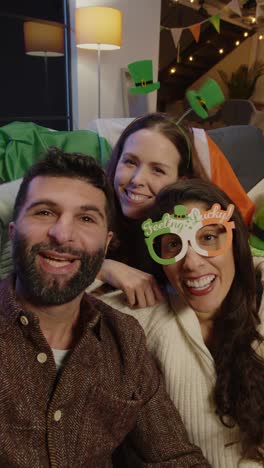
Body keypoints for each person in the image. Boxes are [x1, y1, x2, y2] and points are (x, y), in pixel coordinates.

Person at [0, 148, 211, 467]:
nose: (62, 234)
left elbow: (171, 456)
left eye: (86, 218)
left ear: (106, 243)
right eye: (44, 212)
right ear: (14, 232)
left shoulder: (125, 340)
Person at [96, 179, 264, 467]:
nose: (192, 263)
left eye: (209, 238)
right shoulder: (145, 317)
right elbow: (49, 308)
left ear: (234, 241)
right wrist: (103, 268)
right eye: (173, 244)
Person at [97, 112, 254, 309]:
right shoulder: (92, 212)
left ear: (182, 182)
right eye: (130, 162)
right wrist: (102, 268)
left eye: (157, 170)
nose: (137, 179)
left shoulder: (201, 227)